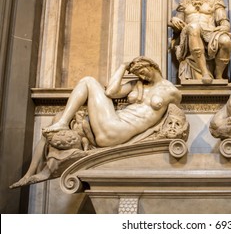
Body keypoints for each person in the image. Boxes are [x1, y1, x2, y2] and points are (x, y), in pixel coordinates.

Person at [10, 56, 182, 188]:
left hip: (118, 131)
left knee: (88, 81)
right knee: (57, 119)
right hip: (112, 124)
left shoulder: (171, 91)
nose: (141, 75)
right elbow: (111, 92)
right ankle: (32, 173)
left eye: (143, 71)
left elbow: (175, 118)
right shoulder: (137, 85)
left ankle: (63, 123)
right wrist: (123, 66)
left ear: (152, 66)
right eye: (137, 73)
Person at [170, 0, 231, 84]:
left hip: (210, 33)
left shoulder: (215, 0)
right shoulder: (185, 2)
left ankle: (218, 75)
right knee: (194, 27)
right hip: (190, 34)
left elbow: (224, 21)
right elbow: (178, 25)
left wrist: (225, 27)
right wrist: (173, 20)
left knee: (225, 40)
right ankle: (204, 72)